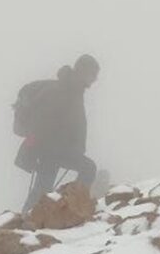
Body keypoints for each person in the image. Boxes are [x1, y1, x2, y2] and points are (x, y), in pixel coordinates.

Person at [19, 54, 100, 213]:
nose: (95, 79)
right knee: (88, 168)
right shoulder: (62, 90)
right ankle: (74, 207)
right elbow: (41, 120)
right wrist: (32, 148)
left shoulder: (73, 90)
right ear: (83, 71)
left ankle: (26, 217)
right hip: (52, 149)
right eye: (93, 74)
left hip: (55, 149)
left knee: (42, 188)